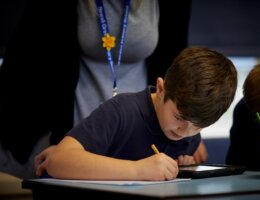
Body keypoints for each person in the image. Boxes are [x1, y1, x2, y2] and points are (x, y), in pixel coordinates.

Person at [0, 0, 202, 179]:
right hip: (57, 121)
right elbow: (38, 64)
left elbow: (175, 65)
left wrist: (186, 130)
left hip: (130, 135)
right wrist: (66, 144)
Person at [45, 46, 238, 181]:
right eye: (179, 117)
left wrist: (183, 167)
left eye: (198, 126)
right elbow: (58, 161)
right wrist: (137, 170)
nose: (183, 132)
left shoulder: (190, 139)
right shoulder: (122, 111)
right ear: (161, 89)